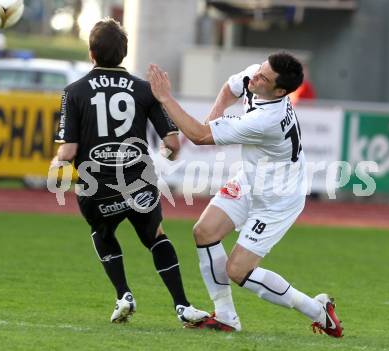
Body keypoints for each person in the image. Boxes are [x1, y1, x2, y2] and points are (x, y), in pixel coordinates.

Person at [147, 52, 343, 337]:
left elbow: (200, 137)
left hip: (278, 199)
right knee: (205, 232)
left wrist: (165, 98)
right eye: (260, 70)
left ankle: (317, 311)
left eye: (264, 77)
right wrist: (215, 114)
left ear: (279, 91)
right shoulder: (258, 76)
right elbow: (230, 88)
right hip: (251, 180)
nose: (256, 76)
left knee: (238, 271)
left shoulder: (267, 119)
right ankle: (226, 316)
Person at [50, 18, 209, 325]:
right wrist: (163, 155)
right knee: (156, 238)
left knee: (103, 234)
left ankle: (124, 295)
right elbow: (173, 143)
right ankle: (182, 306)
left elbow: (68, 151)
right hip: (139, 182)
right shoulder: (145, 90)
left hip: (96, 188)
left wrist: (57, 161)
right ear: (123, 54)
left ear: (91, 53)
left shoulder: (74, 91)